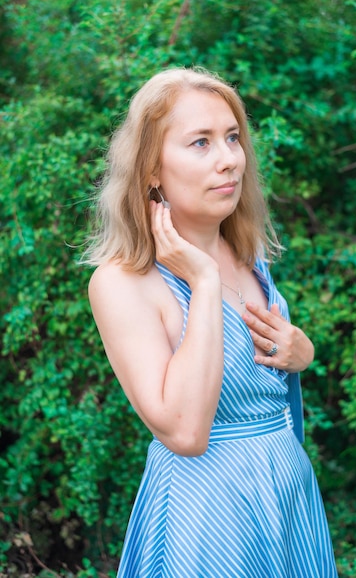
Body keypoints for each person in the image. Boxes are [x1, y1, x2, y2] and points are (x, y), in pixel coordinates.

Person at [86, 67, 338, 577]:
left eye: (231, 138)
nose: (229, 160)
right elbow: (184, 432)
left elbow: (270, 377)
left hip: (287, 496)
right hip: (207, 514)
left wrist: (302, 353)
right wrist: (201, 284)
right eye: (200, 143)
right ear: (152, 168)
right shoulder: (123, 282)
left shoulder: (248, 253)